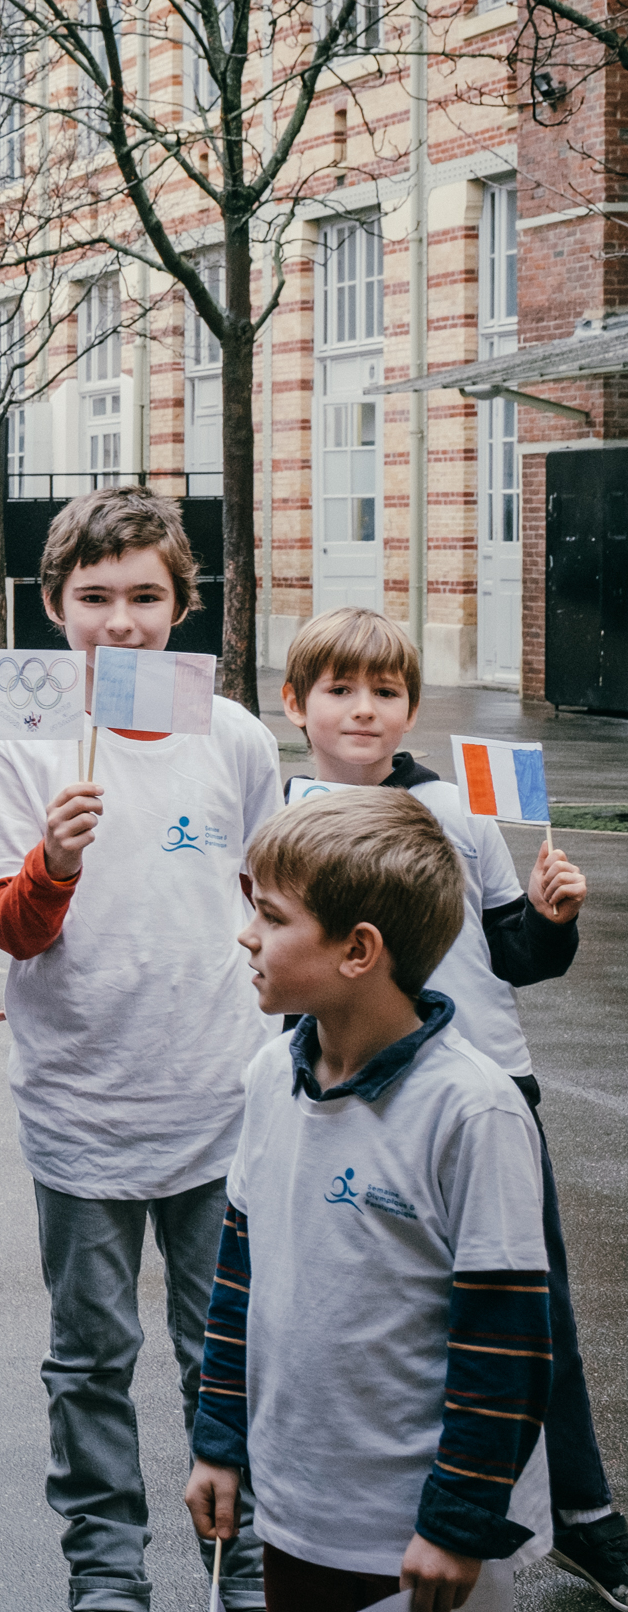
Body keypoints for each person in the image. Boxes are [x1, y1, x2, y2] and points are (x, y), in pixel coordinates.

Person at [0, 487, 279, 1612]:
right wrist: (50, 858)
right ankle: (105, 1565)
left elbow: (268, 897)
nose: (122, 621)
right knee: (91, 1356)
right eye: (94, 596)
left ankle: (240, 1559)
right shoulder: (20, 744)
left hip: (217, 1092)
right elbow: (7, 929)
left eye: (146, 595)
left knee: (222, 1348)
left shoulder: (233, 735)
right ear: (54, 605)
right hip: (80, 1099)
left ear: (182, 603)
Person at [271, 606, 621, 1603]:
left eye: (385, 690)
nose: (364, 708)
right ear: (297, 704)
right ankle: (359, 1510)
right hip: (346, 1093)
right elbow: (261, 956)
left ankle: (586, 1516)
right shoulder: (282, 813)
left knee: (527, 1308)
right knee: (363, 1308)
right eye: (339, 688)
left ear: (412, 705)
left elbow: (515, 953)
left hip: (487, 1090)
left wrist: (553, 919)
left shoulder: (461, 810)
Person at [187, 788, 551, 1612]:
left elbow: (507, 1339)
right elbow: (239, 1284)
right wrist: (220, 1444)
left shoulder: (472, 1110)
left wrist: (457, 1521)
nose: (248, 935)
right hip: (293, 1509)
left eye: (273, 918)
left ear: (359, 950)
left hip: (420, 1539)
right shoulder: (269, 1078)